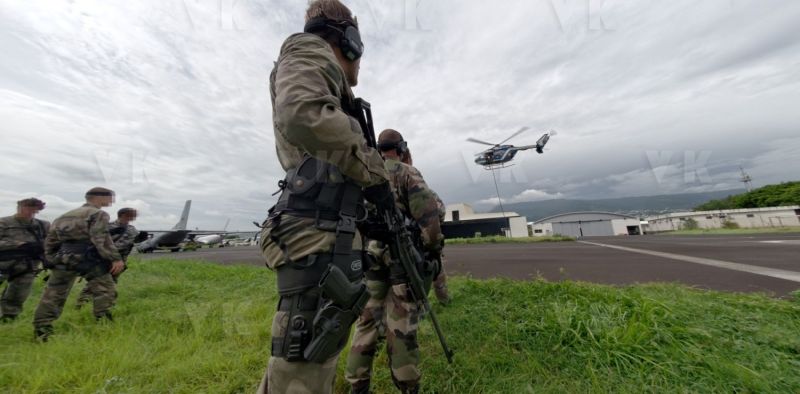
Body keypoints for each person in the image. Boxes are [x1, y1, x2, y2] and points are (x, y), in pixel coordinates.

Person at [257, 1, 391, 392]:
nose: (360, 62)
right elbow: (301, 114)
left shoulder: (318, 71)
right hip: (316, 231)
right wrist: (374, 173)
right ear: (350, 41)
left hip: (326, 226)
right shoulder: (309, 50)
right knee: (302, 371)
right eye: (360, 49)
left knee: (306, 363)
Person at [345, 129, 444, 394]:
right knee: (401, 325)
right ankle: (408, 386)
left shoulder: (363, 174)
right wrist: (432, 252)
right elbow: (430, 220)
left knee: (367, 321)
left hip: (371, 257)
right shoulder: (406, 172)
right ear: (401, 148)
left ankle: (357, 385)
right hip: (402, 257)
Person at [32, 187, 125, 341]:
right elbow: (100, 238)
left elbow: (51, 240)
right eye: (111, 197)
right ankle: (103, 321)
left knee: (53, 294)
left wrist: (52, 259)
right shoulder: (98, 214)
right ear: (99, 197)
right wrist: (115, 258)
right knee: (105, 289)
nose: (112, 201)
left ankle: (42, 327)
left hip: (64, 258)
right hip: (88, 259)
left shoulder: (63, 216)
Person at [75, 208, 139, 308]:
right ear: (123, 215)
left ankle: (108, 304)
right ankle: (82, 303)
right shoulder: (108, 227)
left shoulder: (132, 229)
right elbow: (100, 243)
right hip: (103, 260)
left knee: (112, 281)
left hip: (120, 261)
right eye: (132, 215)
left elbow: (131, 243)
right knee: (95, 282)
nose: (133, 217)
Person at [0, 198, 50, 322]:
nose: (30, 212)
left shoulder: (42, 225)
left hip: (29, 264)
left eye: (34, 210)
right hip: (4, 262)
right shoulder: (4, 222)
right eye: (27, 208)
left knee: (18, 293)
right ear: (19, 207)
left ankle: (9, 317)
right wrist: (19, 244)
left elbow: (51, 242)